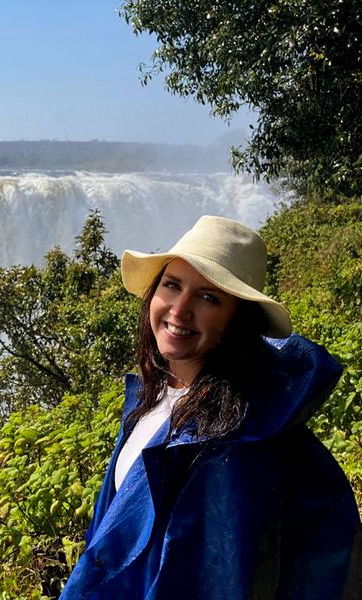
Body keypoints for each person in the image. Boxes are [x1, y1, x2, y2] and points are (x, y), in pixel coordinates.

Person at [60, 215, 360, 599]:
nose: (179, 310)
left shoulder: (235, 446)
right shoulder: (155, 400)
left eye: (208, 297)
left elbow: (217, 581)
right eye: (172, 285)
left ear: (238, 322)